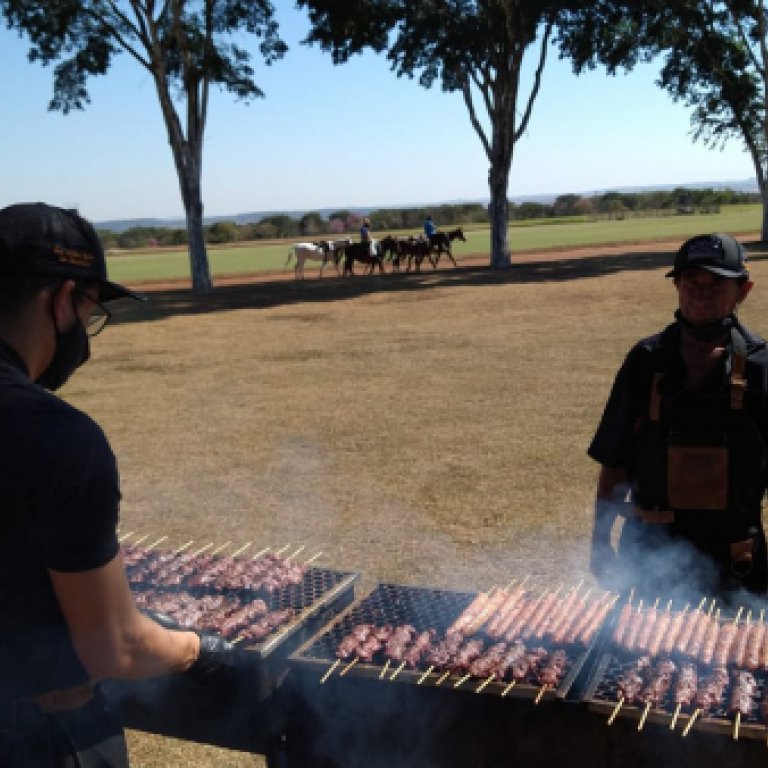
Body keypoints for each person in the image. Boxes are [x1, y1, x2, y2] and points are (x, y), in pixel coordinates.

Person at [0, 203, 235, 767]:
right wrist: (199, 649)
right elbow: (116, 646)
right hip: (35, 740)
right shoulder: (55, 439)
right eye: (89, 311)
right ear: (61, 300)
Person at [588, 233, 768, 602]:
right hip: (650, 552)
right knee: (639, 655)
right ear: (677, 285)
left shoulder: (761, 366)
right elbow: (614, 460)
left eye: (716, 282)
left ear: (743, 289)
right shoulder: (646, 359)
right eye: (691, 281)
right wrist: (600, 540)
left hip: (736, 557)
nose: (702, 292)